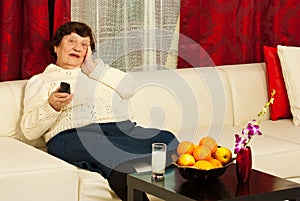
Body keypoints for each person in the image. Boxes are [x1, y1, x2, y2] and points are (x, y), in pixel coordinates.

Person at [21, 21, 179, 201]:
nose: (77, 48)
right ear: (56, 47)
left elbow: (129, 88)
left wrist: (94, 69)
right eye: (71, 41)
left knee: (169, 140)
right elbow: (28, 131)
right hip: (75, 135)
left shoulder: (99, 72)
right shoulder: (42, 80)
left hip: (122, 130)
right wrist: (52, 106)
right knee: (109, 154)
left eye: (84, 44)